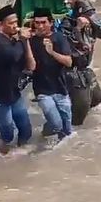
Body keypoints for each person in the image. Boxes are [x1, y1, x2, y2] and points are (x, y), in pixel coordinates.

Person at [0, 5, 36, 154]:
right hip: (0, 96)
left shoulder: (15, 41)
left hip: (15, 92)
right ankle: (3, 154)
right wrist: (22, 40)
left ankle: (22, 155)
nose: (15, 25)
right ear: (0, 24)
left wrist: (25, 42)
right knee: (7, 131)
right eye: (10, 23)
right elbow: (13, 56)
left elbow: (31, 65)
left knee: (25, 128)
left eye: (16, 22)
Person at [29, 8, 73, 139]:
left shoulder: (59, 38)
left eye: (43, 22)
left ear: (51, 23)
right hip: (42, 91)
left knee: (67, 130)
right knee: (57, 124)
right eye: (37, 23)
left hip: (61, 89)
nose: (40, 26)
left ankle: (56, 147)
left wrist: (52, 52)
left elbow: (69, 62)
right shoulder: (30, 41)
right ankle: (47, 132)